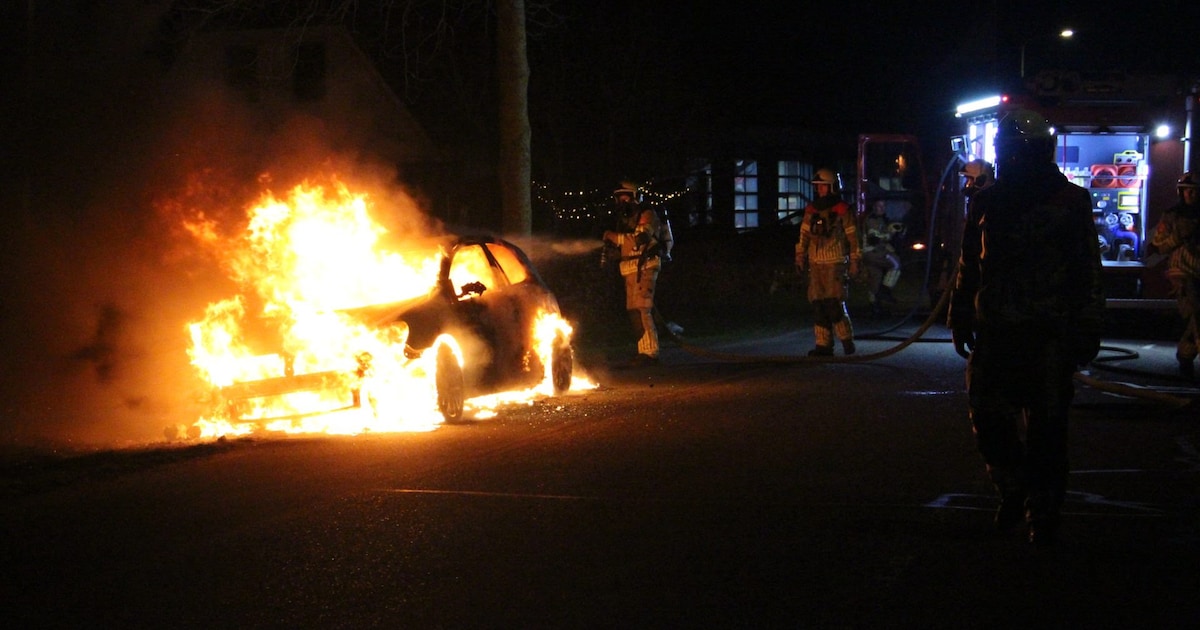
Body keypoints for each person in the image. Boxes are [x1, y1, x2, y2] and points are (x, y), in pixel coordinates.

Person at [947, 109, 1105, 545]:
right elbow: (969, 263)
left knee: (1047, 429)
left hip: (1047, 333)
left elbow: (1086, 268)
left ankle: (1044, 510)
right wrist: (961, 312)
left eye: (1008, 148)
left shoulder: (1068, 202)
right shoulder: (988, 201)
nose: (1003, 155)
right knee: (987, 416)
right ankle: (1014, 488)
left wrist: (1088, 325)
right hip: (997, 331)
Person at [795, 168, 861, 355]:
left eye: (823, 186)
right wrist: (800, 256)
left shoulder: (843, 210)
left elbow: (853, 238)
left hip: (835, 263)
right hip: (816, 264)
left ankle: (846, 340)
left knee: (833, 303)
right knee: (818, 305)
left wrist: (855, 260)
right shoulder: (811, 210)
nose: (820, 190)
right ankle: (823, 345)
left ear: (832, 187)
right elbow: (804, 235)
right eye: (818, 187)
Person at [603, 182, 665, 367]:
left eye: (626, 196)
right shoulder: (624, 219)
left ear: (635, 196)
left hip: (644, 267)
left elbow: (640, 238)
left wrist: (613, 237)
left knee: (642, 309)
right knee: (634, 312)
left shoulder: (647, 214)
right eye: (619, 197)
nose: (622, 200)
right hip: (629, 270)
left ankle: (650, 353)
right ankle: (643, 352)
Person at [1145, 172, 1200, 378]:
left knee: (1193, 319)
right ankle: (1186, 357)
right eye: (1188, 191)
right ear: (1181, 192)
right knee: (1194, 314)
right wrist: (1179, 235)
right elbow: (1159, 246)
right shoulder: (1172, 216)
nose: (1191, 195)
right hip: (1183, 275)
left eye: (1195, 191)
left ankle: (1186, 355)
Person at [861, 198, 902, 317]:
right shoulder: (872, 220)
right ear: (874, 207)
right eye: (880, 206)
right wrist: (891, 233)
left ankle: (875, 307)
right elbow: (875, 238)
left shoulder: (880, 220)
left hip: (871, 254)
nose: (882, 209)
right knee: (896, 264)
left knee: (875, 278)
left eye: (884, 206)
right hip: (873, 252)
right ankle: (885, 291)